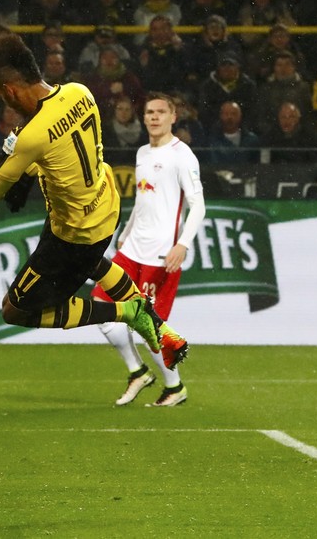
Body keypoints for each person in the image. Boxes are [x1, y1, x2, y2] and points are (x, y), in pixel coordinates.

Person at [0, 34, 189, 370]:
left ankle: (129, 312)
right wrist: (29, 169)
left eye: (1, 94)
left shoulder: (32, 135)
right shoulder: (79, 92)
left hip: (73, 233)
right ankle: (161, 328)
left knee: (16, 310)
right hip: (105, 206)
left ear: (9, 90)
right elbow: (63, 147)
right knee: (90, 263)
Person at [92, 93, 206, 407]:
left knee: (148, 328)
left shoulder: (182, 155)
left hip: (160, 255)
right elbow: (142, 205)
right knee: (102, 312)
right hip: (131, 251)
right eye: (149, 112)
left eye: (160, 112)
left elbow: (198, 206)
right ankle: (138, 371)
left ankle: (174, 387)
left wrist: (182, 244)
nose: (153, 117)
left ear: (173, 117)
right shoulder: (142, 153)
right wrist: (122, 239)